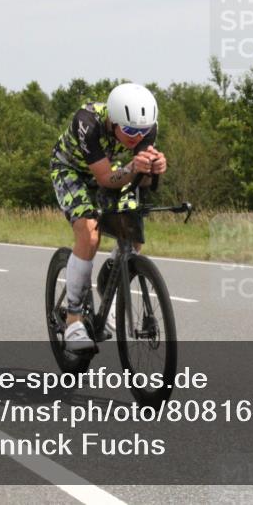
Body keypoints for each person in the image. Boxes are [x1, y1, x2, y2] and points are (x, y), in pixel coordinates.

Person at [50, 83, 167, 353]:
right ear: (113, 120)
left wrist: (156, 168)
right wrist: (131, 167)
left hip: (110, 169)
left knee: (132, 231)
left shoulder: (146, 126)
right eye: (129, 131)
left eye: (142, 132)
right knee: (89, 232)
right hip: (71, 171)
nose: (136, 138)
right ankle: (73, 320)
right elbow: (105, 178)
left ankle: (108, 282)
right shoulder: (87, 122)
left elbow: (143, 179)